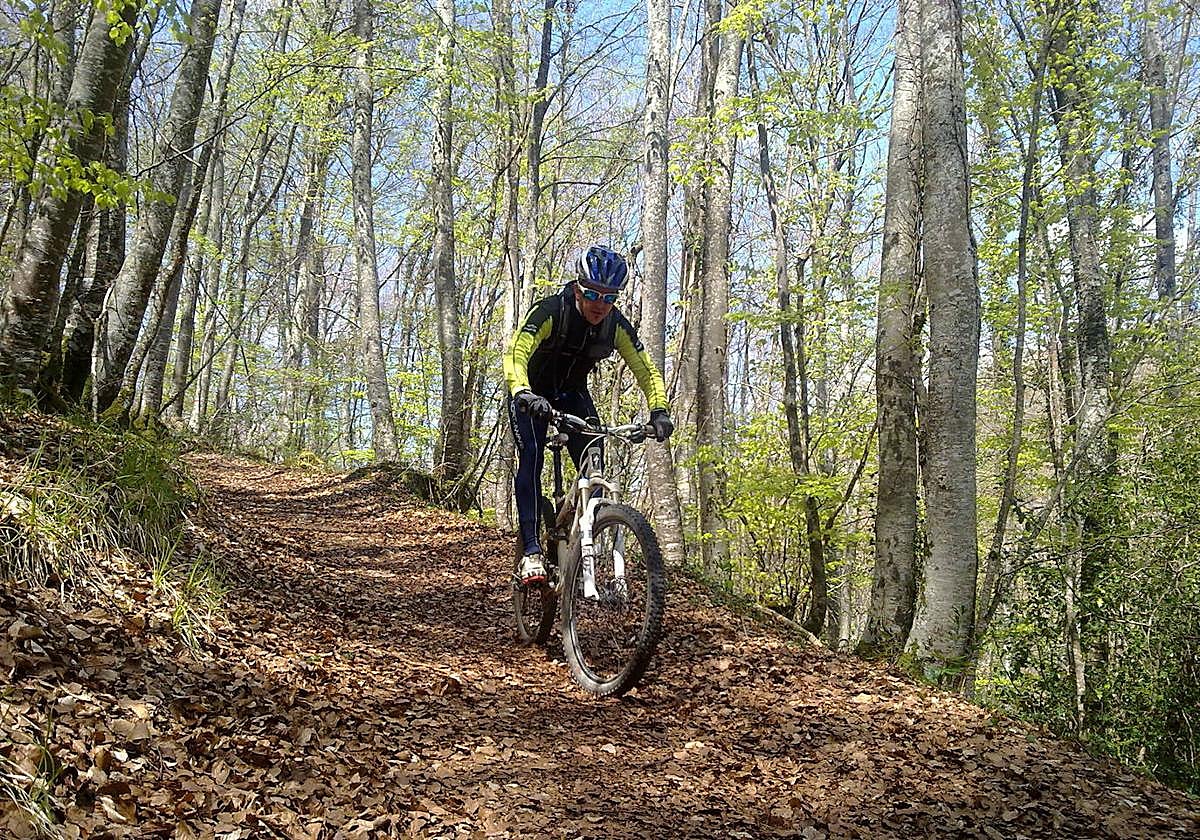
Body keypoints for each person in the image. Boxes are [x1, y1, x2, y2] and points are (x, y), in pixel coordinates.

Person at [503, 245, 674, 586]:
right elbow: (517, 350)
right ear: (578, 287)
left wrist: (659, 410)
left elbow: (645, 369)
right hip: (532, 395)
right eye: (592, 293)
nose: (600, 304)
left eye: (609, 297)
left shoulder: (615, 326)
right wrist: (522, 391)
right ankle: (532, 552)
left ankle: (584, 544)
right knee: (533, 457)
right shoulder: (553, 310)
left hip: (572, 395)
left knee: (595, 462)